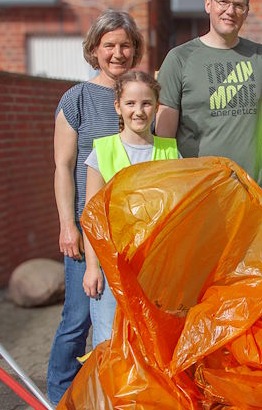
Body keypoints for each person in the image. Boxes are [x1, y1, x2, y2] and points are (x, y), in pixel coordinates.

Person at [47, 10, 144, 406]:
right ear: (94, 49)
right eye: (109, 45)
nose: (117, 53)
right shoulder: (77, 99)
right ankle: (58, 395)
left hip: (128, 233)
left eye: (125, 45)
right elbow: (63, 166)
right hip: (87, 232)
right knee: (77, 320)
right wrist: (67, 226)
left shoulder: (139, 93)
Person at [155, 0, 262, 193]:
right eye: (223, 2)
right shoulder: (179, 59)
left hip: (251, 192)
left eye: (239, 5)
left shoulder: (261, 57)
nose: (230, 11)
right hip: (200, 192)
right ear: (208, 4)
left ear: (246, 12)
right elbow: (164, 142)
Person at [82, 70, 179, 346]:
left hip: (157, 270)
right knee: (109, 344)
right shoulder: (102, 152)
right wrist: (92, 267)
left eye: (147, 103)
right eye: (130, 104)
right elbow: (92, 218)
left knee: (151, 343)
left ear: (157, 106)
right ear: (118, 106)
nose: (139, 111)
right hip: (114, 268)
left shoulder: (171, 152)